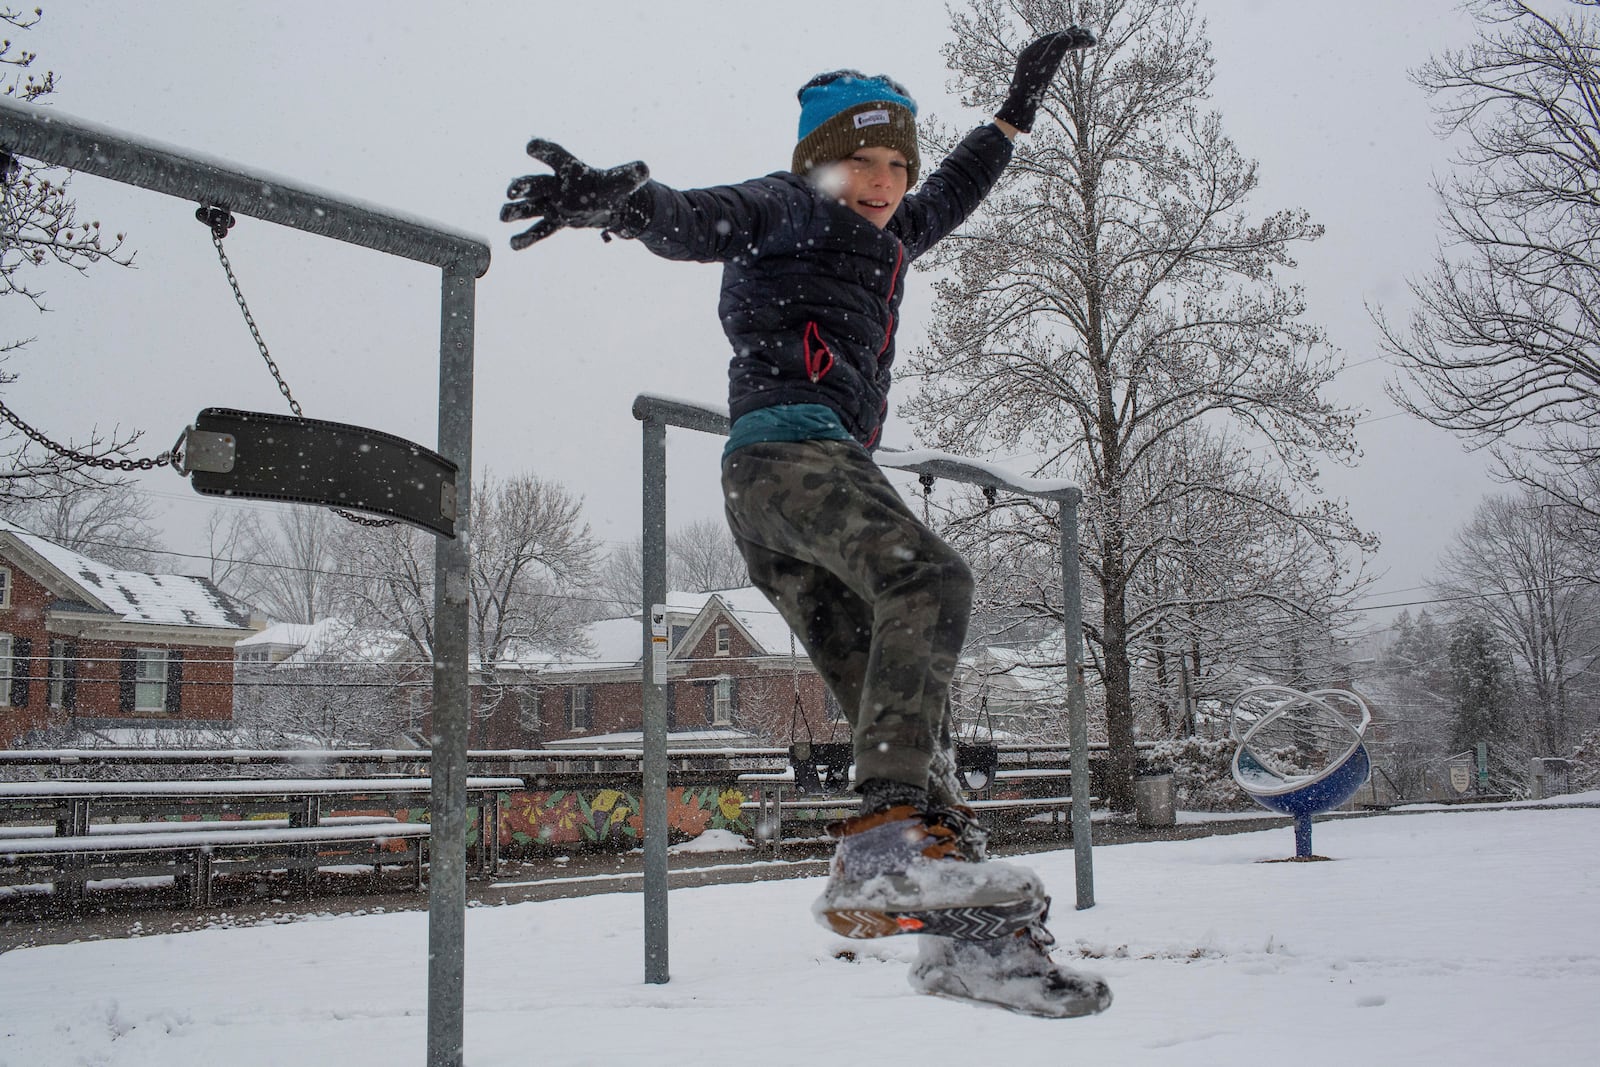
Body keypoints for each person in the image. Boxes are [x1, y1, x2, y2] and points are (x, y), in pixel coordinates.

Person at [503, 28, 1110, 1017]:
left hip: (782, 495)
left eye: (892, 164)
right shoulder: (785, 204)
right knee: (933, 579)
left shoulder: (895, 230)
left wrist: (1014, 108)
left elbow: (958, 186)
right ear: (818, 161)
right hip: (790, 458)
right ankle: (880, 852)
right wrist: (621, 205)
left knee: (906, 704)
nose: (878, 182)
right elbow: (699, 217)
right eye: (858, 160)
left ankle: (971, 943)